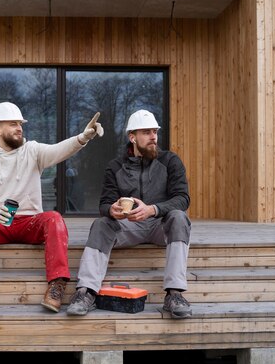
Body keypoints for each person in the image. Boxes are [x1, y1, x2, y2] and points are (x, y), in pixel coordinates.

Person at [0, 102, 103, 314]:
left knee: (54, 218)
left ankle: (56, 286)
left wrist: (83, 137)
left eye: (20, 124)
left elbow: (59, 150)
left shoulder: (33, 151)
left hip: (30, 224)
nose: (19, 128)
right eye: (13, 124)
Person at [67, 109, 192, 319]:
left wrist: (153, 209)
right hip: (128, 227)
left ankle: (175, 294)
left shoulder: (170, 161)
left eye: (155, 131)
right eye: (146, 132)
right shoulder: (115, 167)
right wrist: (112, 210)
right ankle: (86, 292)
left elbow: (182, 198)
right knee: (101, 224)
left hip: (159, 225)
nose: (153, 136)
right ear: (132, 137)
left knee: (179, 217)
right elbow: (104, 204)